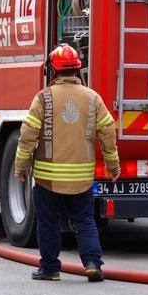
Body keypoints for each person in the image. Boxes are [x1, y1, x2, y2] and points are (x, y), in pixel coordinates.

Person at [14, 44, 120, 282]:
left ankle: (50, 269)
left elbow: (28, 135)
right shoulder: (93, 98)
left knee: (48, 221)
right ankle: (93, 263)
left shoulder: (43, 98)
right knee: (84, 220)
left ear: (53, 71)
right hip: (81, 179)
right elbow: (108, 132)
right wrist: (113, 166)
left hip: (47, 179)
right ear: (77, 69)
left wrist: (20, 167)